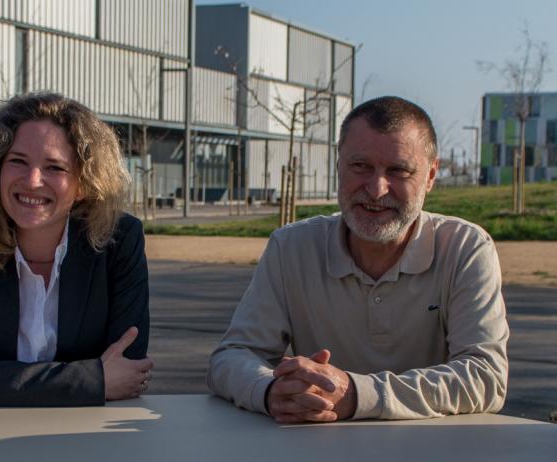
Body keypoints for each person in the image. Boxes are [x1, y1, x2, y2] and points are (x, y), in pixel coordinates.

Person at [207, 96, 509, 422]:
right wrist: (270, 392)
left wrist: (356, 394)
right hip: (319, 459)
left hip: (431, 458)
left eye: (398, 170)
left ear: (431, 176)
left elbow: (485, 377)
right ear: (338, 166)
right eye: (360, 166)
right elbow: (233, 356)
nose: (377, 189)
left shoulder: (465, 248)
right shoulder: (291, 247)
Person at [0, 92, 153, 406]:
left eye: (55, 167)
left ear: (84, 185)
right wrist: (94, 379)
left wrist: (3, 380)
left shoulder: (119, 243)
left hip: (87, 433)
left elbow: (127, 367)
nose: (33, 180)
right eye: (18, 161)